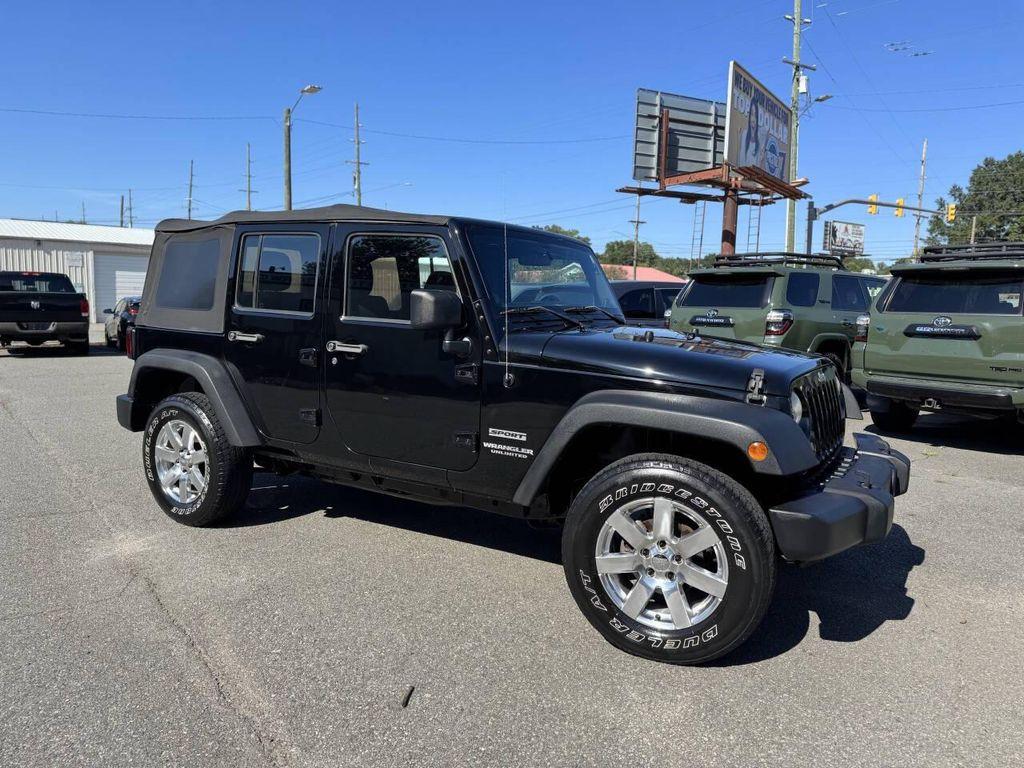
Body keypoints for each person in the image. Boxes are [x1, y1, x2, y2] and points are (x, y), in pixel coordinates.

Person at [738, 97, 763, 167]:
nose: (753, 119)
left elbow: (758, 165)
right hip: (744, 175)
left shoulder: (759, 139)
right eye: (752, 114)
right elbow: (741, 160)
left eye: (755, 115)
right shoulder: (745, 134)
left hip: (755, 176)